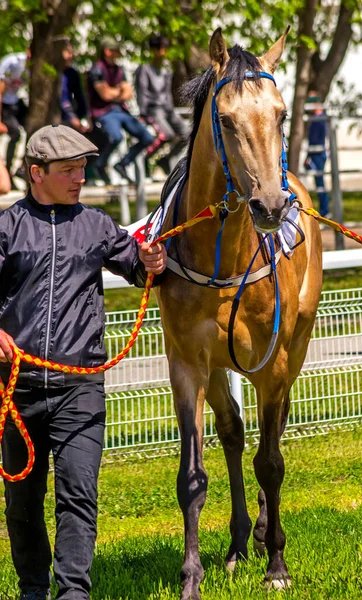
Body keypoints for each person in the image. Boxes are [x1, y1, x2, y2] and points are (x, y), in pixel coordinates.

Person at [0, 124, 167, 600]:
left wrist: (149, 260)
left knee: (78, 495)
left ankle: (73, 592)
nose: (80, 178)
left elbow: (135, 264)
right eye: (68, 170)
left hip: (81, 388)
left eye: (83, 169)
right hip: (18, 389)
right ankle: (33, 589)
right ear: (37, 173)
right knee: (22, 504)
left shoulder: (96, 225)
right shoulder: (7, 229)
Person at [87, 37, 154, 185]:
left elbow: (128, 93)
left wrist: (114, 93)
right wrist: (118, 92)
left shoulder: (119, 69)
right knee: (116, 137)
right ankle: (100, 165)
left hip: (121, 111)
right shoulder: (97, 69)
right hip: (104, 112)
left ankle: (123, 164)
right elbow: (104, 95)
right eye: (116, 50)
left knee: (147, 138)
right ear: (107, 51)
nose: (119, 53)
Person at [134, 34, 189, 176]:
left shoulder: (166, 69)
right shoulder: (144, 69)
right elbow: (142, 92)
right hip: (153, 109)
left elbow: (167, 93)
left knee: (188, 133)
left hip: (167, 109)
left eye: (164, 49)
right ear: (152, 50)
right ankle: (146, 159)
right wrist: (143, 112)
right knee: (167, 134)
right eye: (160, 49)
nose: (163, 52)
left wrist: (171, 110)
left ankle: (165, 160)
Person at [0, 49, 30, 184]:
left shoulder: (35, 65)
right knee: (15, 134)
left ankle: (23, 167)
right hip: (4, 103)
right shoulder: (13, 63)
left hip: (16, 101)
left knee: (34, 128)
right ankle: (7, 171)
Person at [304, 90, 331, 218]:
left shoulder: (320, 119)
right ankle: (324, 207)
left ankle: (325, 209)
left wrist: (310, 155)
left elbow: (316, 139)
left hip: (318, 154)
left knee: (320, 182)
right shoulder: (315, 119)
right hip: (314, 154)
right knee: (318, 182)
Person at [60, 40, 90, 134]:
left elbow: (80, 96)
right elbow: (61, 99)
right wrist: (72, 118)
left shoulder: (71, 73)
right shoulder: (53, 75)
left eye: (71, 52)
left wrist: (86, 117)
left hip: (71, 114)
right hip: (59, 118)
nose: (71, 56)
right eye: (68, 52)